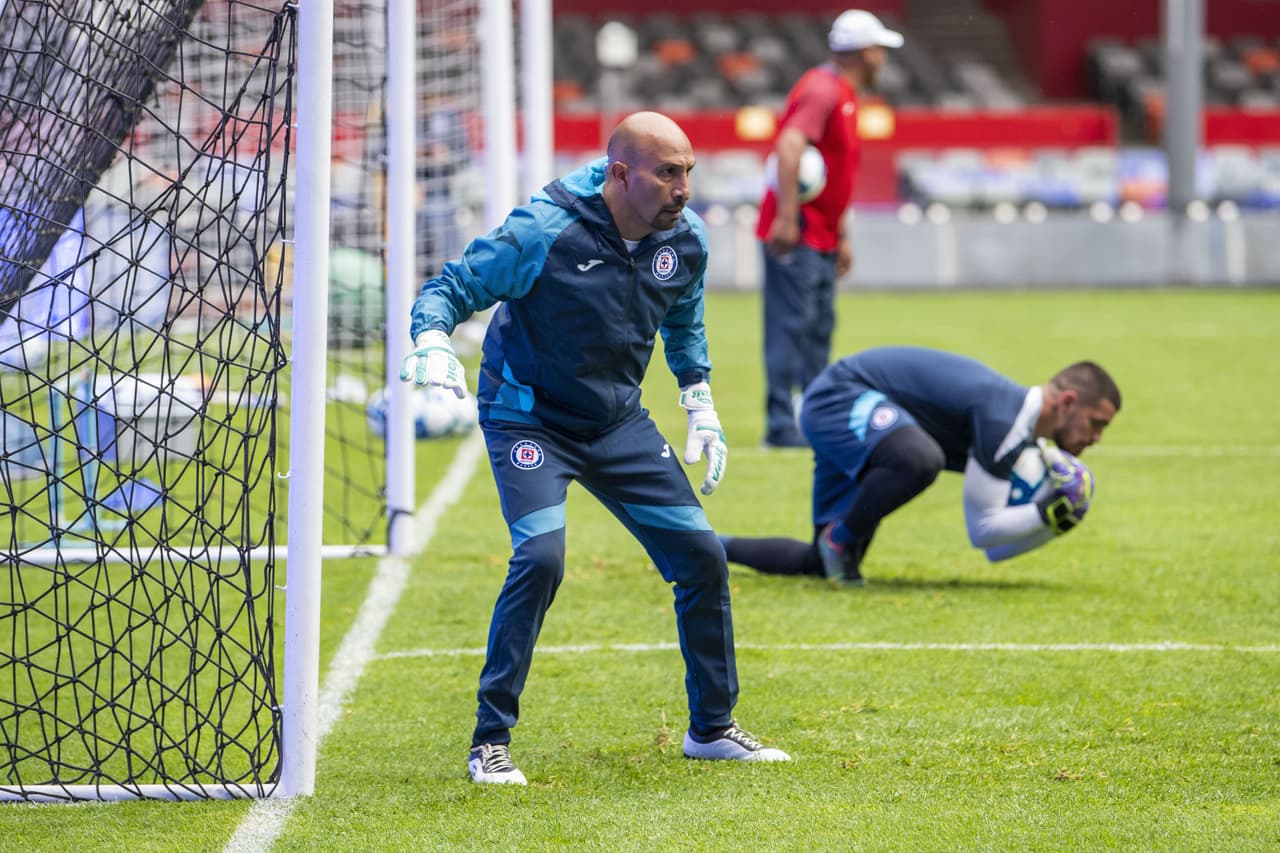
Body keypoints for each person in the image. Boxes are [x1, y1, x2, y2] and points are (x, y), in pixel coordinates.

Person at [400, 111, 790, 785]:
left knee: (702, 557)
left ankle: (711, 728)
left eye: (688, 172)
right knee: (541, 558)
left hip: (616, 423)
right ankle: (490, 740)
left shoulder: (685, 238)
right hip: (528, 419)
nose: (683, 188)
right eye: (667, 173)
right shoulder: (543, 230)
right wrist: (432, 337)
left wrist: (698, 399)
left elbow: (684, 319)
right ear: (620, 174)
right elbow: (452, 286)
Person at [722, 346, 1121, 584]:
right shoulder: (1005, 421)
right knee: (918, 460)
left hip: (865, 415)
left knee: (822, 566)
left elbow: (995, 551)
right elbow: (983, 530)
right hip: (840, 395)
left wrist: (1055, 523)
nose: (1097, 437)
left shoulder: (1019, 434)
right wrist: (1044, 513)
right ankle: (838, 538)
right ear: (1067, 402)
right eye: (1096, 423)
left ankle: (708, 547)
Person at [756, 10, 903, 448]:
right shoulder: (822, 89)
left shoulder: (842, 91)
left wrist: (841, 235)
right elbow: (789, 146)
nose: (883, 59)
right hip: (797, 232)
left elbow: (835, 176)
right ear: (866, 52)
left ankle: (814, 418)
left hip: (820, 233)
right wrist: (786, 218)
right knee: (791, 326)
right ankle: (781, 426)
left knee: (817, 328)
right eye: (880, 50)